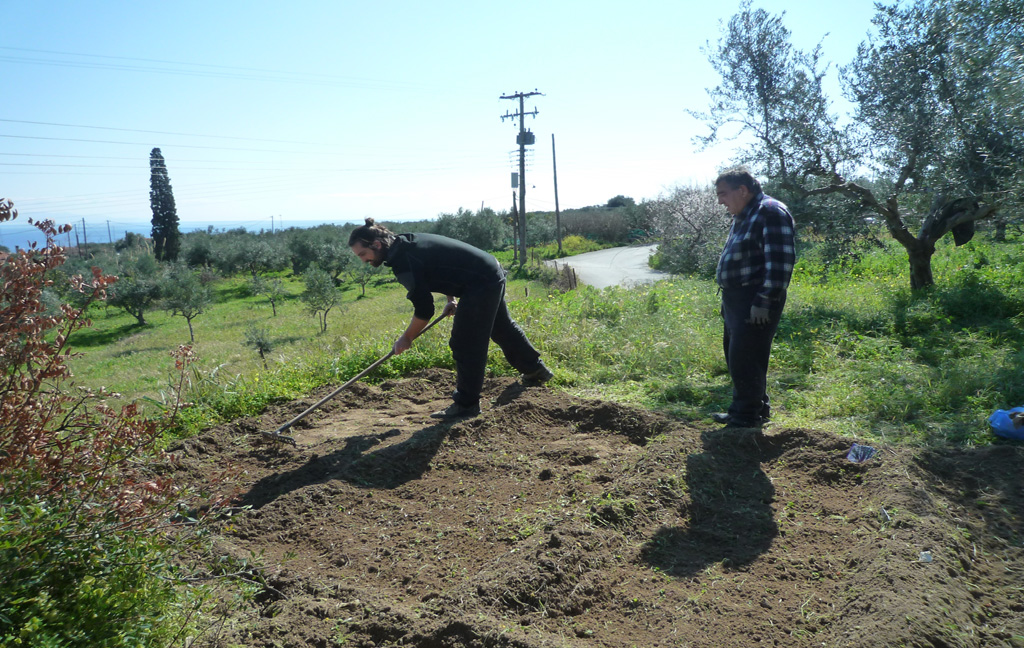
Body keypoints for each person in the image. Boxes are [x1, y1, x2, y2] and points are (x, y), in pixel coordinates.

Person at [348, 218, 553, 419]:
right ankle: (536, 370)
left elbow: (424, 310)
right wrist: (451, 299)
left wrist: (407, 338)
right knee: (501, 327)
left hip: (480, 281)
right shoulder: (404, 242)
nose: (364, 260)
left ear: (376, 244)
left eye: (364, 254)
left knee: (465, 342)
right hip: (489, 269)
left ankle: (466, 404)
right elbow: (443, 264)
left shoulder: (403, 262)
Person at [712, 168, 796, 428]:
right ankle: (756, 409)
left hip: (754, 299)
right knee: (739, 357)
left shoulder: (769, 212)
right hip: (737, 299)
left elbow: (780, 264)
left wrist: (764, 301)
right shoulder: (745, 214)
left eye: (723, 194)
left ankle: (745, 417)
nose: (720, 201)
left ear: (743, 190)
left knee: (746, 358)